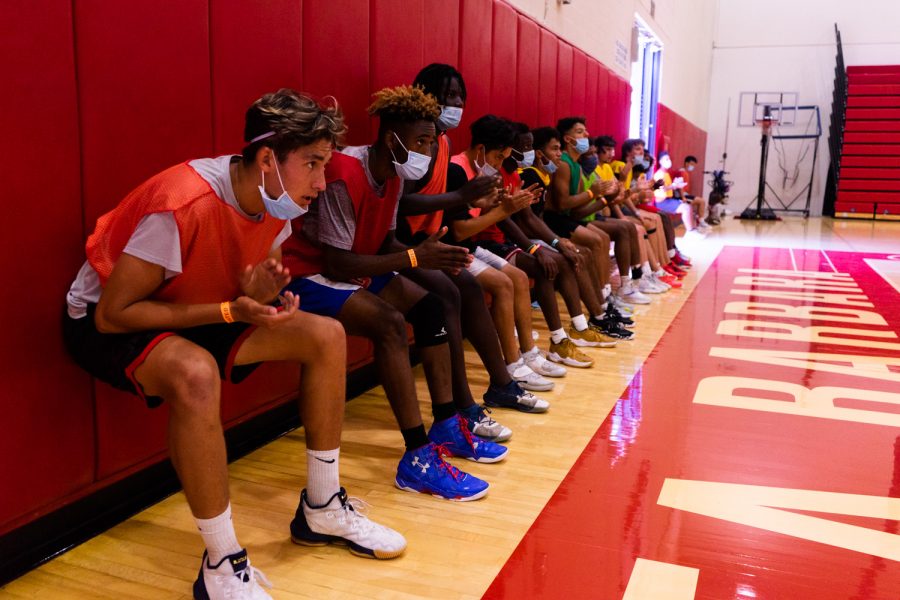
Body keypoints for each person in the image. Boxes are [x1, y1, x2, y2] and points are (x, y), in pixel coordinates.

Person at [63, 90, 406, 600]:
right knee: (195, 373)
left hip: (194, 304)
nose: (322, 180)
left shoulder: (278, 201)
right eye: (312, 164)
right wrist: (230, 311)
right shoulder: (183, 202)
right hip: (104, 318)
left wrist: (266, 296)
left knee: (325, 334)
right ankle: (221, 564)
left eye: (326, 163)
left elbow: (242, 288)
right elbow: (115, 315)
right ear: (268, 159)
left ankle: (322, 508)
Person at [281, 85, 508, 502]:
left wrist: (423, 257)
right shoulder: (344, 175)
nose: (428, 150)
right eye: (421, 141)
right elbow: (336, 263)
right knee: (388, 324)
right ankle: (417, 459)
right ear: (392, 139)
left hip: (352, 266)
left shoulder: (395, 175)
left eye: (430, 141)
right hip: (306, 274)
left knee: (433, 307)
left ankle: (446, 427)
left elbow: (383, 243)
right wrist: (415, 258)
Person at [396, 64, 551, 415]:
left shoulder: (443, 140)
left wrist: (484, 204)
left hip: (435, 241)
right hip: (412, 243)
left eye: (461, 97)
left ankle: (506, 376)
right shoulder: (427, 149)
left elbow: (465, 209)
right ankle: (469, 402)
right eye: (450, 95)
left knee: (475, 287)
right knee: (456, 291)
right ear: (424, 93)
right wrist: (467, 199)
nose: (457, 103)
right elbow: (406, 204)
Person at [517, 127, 635, 341]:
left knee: (587, 251)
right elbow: (553, 210)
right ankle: (591, 318)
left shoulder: (550, 172)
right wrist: (555, 239)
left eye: (559, 149)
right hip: (540, 230)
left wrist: (606, 199)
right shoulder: (533, 174)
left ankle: (600, 309)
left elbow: (541, 217)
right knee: (581, 252)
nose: (558, 154)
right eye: (555, 149)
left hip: (546, 228)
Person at [548, 117, 651, 306]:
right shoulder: (563, 164)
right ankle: (603, 296)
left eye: (586, 131)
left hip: (572, 218)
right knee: (599, 240)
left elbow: (577, 212)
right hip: (554, 221)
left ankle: (623, 286)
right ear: (568, 139)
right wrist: (592, 193)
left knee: (620, 230)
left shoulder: (576, 165)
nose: (587, 134)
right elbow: (563, 205)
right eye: (580, 132)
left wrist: (605, 199)